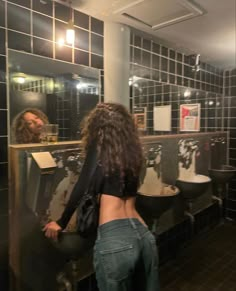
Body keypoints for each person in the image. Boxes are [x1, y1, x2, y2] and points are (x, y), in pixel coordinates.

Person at [43, 102, 160, 291]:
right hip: (143, 234)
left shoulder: (99, 148)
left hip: (116, 238)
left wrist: (61, 222)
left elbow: (81, 187)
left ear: (97, 128)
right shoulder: (134, 154)